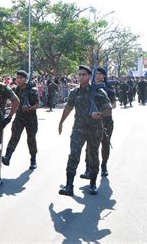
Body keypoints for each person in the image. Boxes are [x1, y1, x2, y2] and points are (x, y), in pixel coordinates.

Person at [57, 65, 112, 196]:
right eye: (79, 75)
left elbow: (108, 109)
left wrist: (99, 114)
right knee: (73, 156)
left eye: (84, 75)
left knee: (93, 156)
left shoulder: (98, 91)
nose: (81, 77)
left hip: (95, 129)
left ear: (89, 76)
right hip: (78, 129)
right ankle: (69, 186)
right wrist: (61, 122)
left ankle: (92, 184)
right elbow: (68, 108)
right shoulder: (74, 92)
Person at [80, 67, 116, 179]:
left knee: (105, 145)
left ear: (104, 76)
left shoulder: (109, 89)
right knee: (89, 147)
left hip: (105, 121)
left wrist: (100, 112)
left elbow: (113, 105)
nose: (98, 75)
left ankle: (104, 165)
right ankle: (88, 169)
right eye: (96, 73)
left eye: (100, 74)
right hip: (91, 122)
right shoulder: (89, 88)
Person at [2, 70, 39, 170]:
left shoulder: (33, 90)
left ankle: (33, 159)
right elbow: (10, 98)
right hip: (19, 117)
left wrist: (30, 107)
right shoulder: (16, 89)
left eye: (21, 78)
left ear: (26, 79)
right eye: (17, 78)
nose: (18, 80)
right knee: (14, 136)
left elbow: (38, 104)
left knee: (31, 139)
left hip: (31, 118)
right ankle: (8, 156)